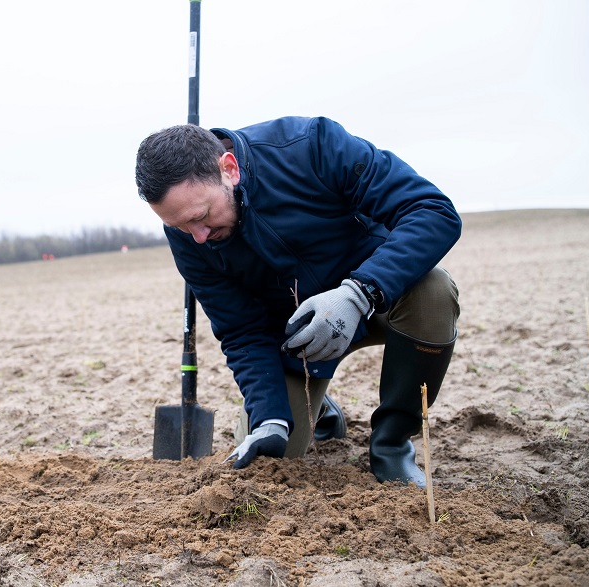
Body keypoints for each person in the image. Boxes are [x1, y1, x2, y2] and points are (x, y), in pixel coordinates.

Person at [134, 116, 460, 486]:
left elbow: (433, 212)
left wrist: (358, 293)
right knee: (266, 470)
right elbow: (241, 329)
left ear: (229, 169)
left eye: (201, 216)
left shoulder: (311, 146)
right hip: (300, 341)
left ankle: (392, 445)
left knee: (433, 293)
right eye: (181, 227)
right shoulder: (189, 233)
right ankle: (318, 410)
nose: (198, 236)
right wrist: (270, 416)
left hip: (380, 296)